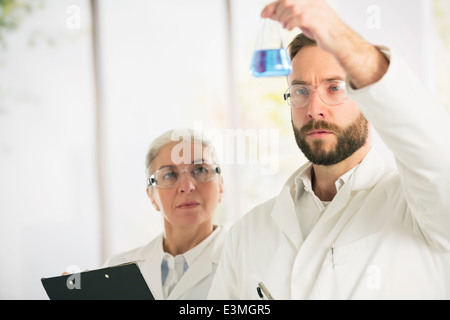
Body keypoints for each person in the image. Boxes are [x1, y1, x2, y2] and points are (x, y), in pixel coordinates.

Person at [208, 0, 450, 300]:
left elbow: (436, 154)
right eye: (300, 91)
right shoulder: (248, 232)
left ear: (368, 97)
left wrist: (335, 31)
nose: (314, 109)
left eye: (334, 88)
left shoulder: (423, 210)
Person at [104, 128, 226, 300]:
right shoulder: (116, 270)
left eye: (199, 170)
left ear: (220, 186)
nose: (187, 186)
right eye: (169, 174)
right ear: (152, 196)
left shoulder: (246, 262)